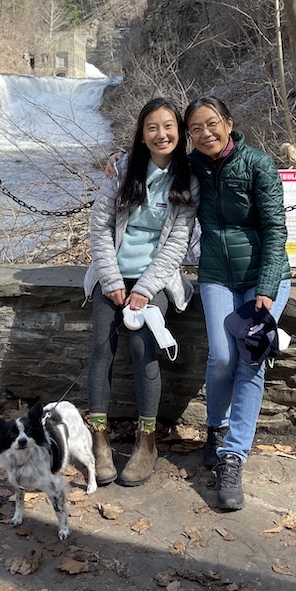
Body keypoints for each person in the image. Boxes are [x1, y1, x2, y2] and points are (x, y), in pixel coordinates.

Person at [83, 97, 199, 486]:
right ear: (142, 134)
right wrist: (113, 281)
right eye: (152, 127)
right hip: (112, 273)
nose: (161, 134)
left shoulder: (188, 177)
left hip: (157, 279)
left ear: (179, 132)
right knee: (101, 346)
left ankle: (146, 442)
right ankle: (98, 441)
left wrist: (145, 290)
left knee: (142, 346)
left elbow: (176, 243)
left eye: (169, 126)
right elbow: (99, 227)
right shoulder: (121, 170)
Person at [184, 96, 291, 511]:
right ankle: (217, 426)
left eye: (212, 124)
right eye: (196, 128)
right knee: (221, 357)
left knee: (250, 358)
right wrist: (121, 158)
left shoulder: (257, 165)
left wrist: (265, 288)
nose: (205, 133)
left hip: (265, 278)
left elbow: (275, 229)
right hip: (216, 274)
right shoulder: (191, 166)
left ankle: (233, 456)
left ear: (229, 123)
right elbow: (151, 159)